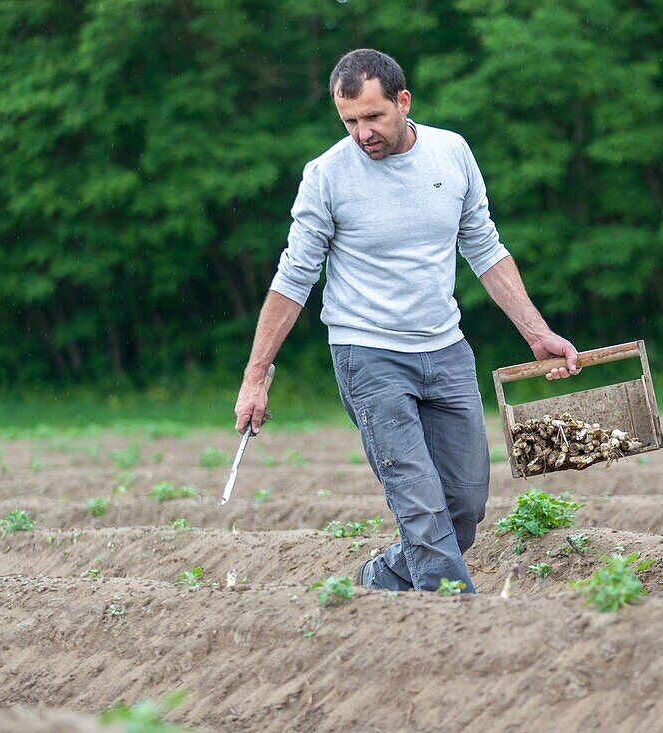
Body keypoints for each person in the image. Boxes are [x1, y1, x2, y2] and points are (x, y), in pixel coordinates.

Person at [233, 48, 580, 593]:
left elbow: (485, 248)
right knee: (421, 507)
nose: (362, 133)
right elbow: (293, 278)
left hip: (446, 349)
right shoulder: (326, 175)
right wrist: (255, 377)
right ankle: (459, 628)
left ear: (403, 100)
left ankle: (383, 578)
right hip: (367, 355)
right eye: (349, 121)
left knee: (464, 504)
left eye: (373, 117)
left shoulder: (452, 153)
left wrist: (538, 334)